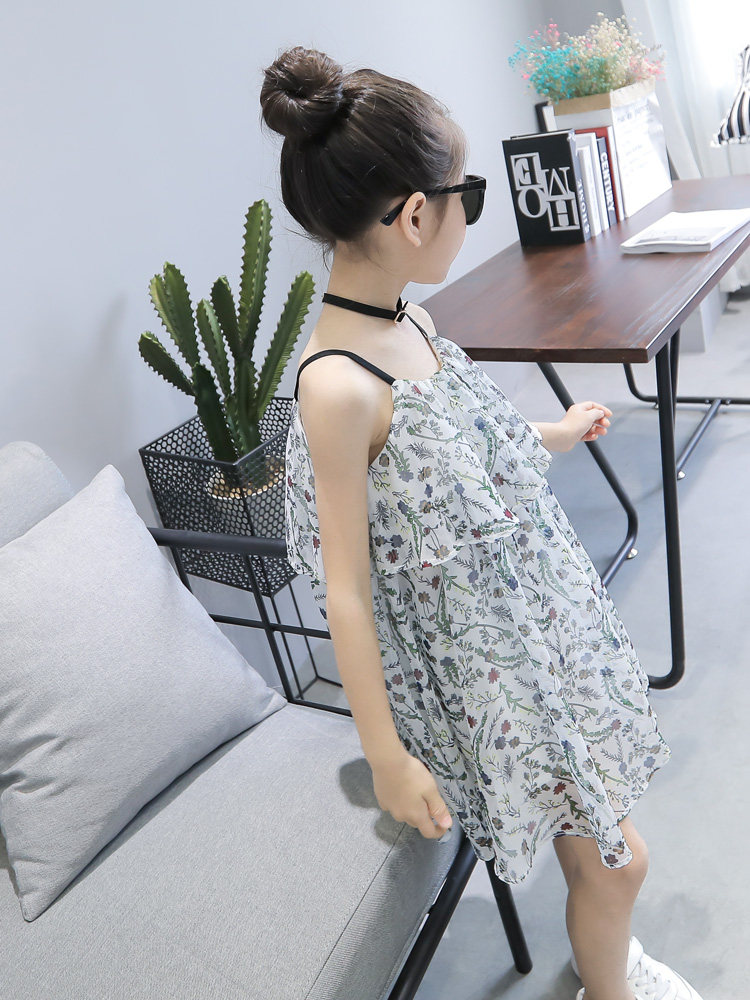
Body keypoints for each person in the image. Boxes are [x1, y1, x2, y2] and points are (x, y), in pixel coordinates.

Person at [260, 45, 701, 1000]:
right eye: (467, 196)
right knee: (620, 861)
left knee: (602, 849)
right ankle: (611, 987)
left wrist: (553, 432)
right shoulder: (338, 386)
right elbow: (345, 590)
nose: (468, 215)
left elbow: (457, 444)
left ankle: (607, 969)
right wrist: (385, 756)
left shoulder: (409, 323)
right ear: (417, 214)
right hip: (483, 674)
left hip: (536, 627)